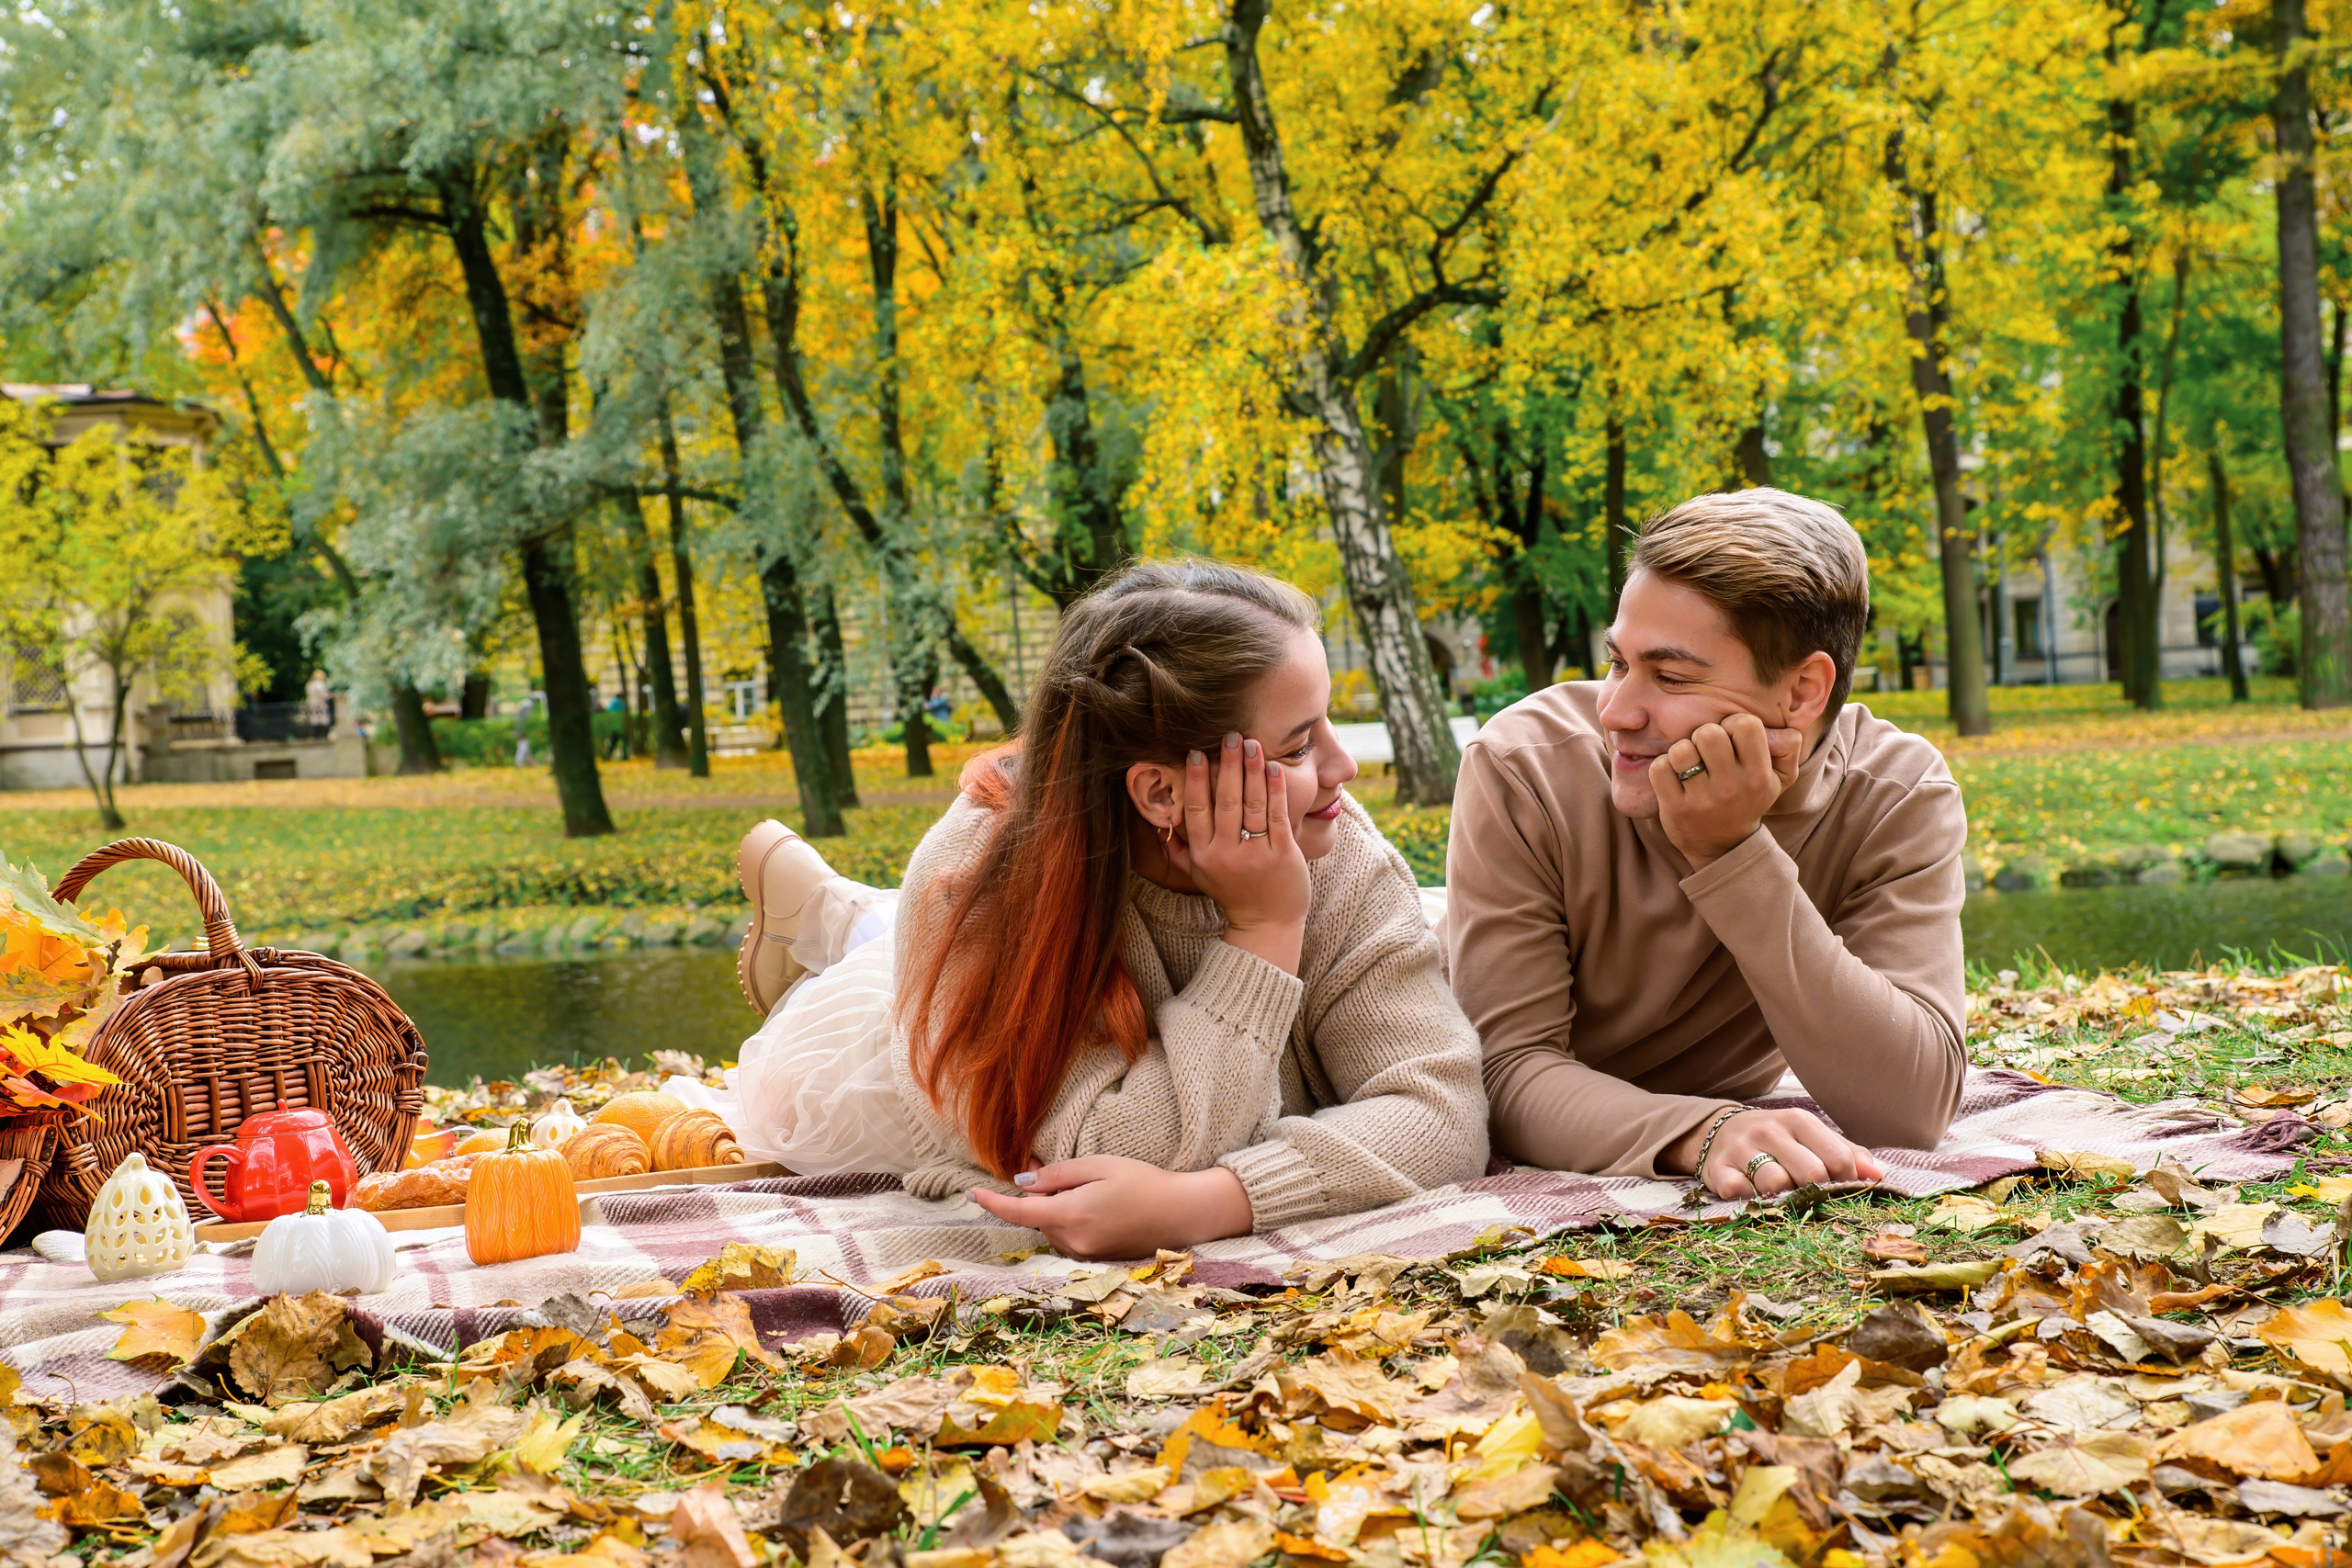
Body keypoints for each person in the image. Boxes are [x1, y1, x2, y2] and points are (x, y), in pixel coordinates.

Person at [728, 558, 1489, 1260]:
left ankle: (845, 912)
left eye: (1327, 723)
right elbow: (1110, 1156)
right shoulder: (973, 882)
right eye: (1296, 749)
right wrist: (1264, 931)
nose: (1345, 768)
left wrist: (1213, 1201)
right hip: (931, 1020)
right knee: (848, 1030)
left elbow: (1444, 1113)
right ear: (1160, 792)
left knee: (1442, 922)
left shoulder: (1331, 838)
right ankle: (841, 921)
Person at [1441, 488, 1966, 1201]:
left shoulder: (1893, 794)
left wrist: (1731, 855)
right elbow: (1504, 1073)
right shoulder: (1526, 766)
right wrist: (1702, 1131)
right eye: (1619, 662)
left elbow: (1909, 1108)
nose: (1615, 712)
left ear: (1804, 691)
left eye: (1671, 675)